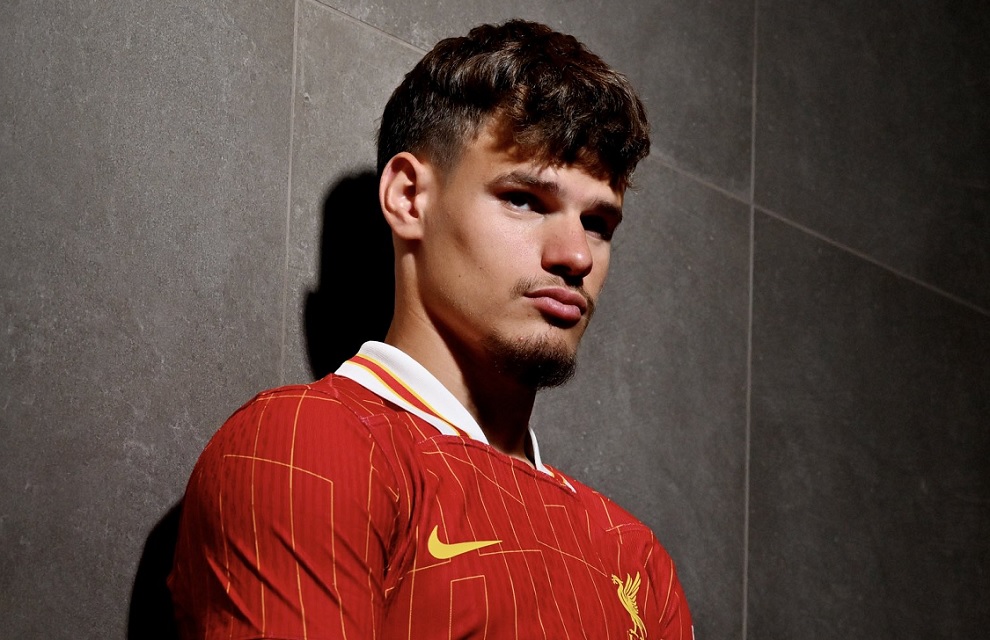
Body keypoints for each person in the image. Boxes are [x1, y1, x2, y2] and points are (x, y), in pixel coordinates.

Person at [169, 19, 693, 639]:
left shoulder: (636, 562)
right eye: (525, 200)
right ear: (409, 198)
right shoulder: (306, 446)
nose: (576, 255)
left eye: (599, 224)